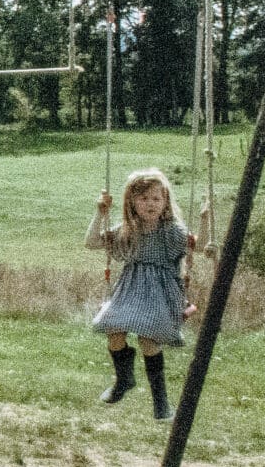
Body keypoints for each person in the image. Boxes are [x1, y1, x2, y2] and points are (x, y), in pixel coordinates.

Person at [87, 169, 210, 421]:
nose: (150, 204)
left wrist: (205, 218)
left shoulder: (171, 231)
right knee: (113, 329)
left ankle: (161, 402)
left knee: (148, 338)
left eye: (156, 198)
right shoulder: (128, 230)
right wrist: (99, 213)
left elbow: (199, 245)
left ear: (165, 201)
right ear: (131, 202)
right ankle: (124, 379)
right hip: (130, 288)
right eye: (143, 199)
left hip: (162, 291)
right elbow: (91, 242)